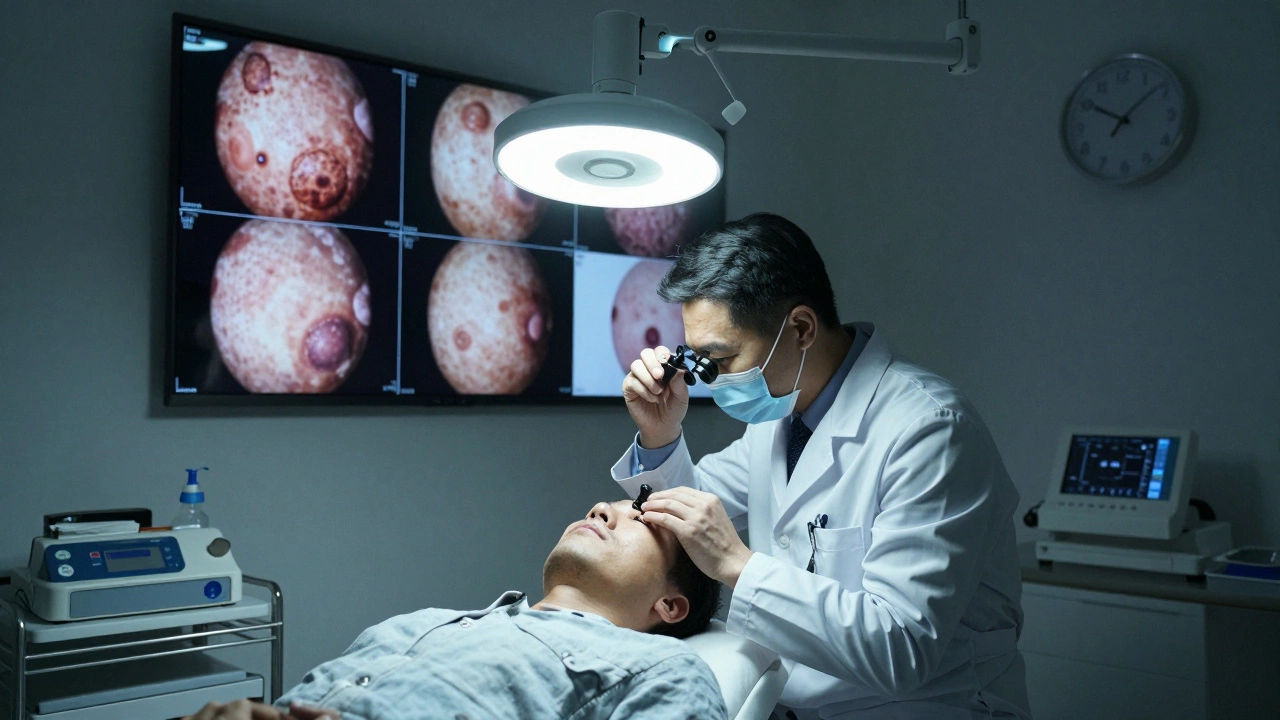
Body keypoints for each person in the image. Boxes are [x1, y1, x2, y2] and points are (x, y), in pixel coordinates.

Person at [617, 213, 1031, 719]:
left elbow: (902, 649)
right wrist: (660, 436)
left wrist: (737, 565)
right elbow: (688, 517)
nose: (711, 380)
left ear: (801, 328)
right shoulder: (780, 417)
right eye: (699, 360)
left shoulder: (931, 430)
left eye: (721, 359)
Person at [183, 500, 727, 720]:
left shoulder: (664, 668)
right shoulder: (420, 623)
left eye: (645, 521)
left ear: (671, 606)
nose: (603, 507)